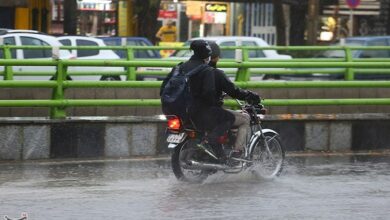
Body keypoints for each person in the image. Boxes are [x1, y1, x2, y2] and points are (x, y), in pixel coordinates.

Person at [186, 40, 260, 160]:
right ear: (214, 57)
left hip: (188, 112)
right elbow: (234, 91)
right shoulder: (214, 73)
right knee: (244, 119)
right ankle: (237, 153)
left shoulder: (189, 69)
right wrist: (250, 95)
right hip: (207, 113)